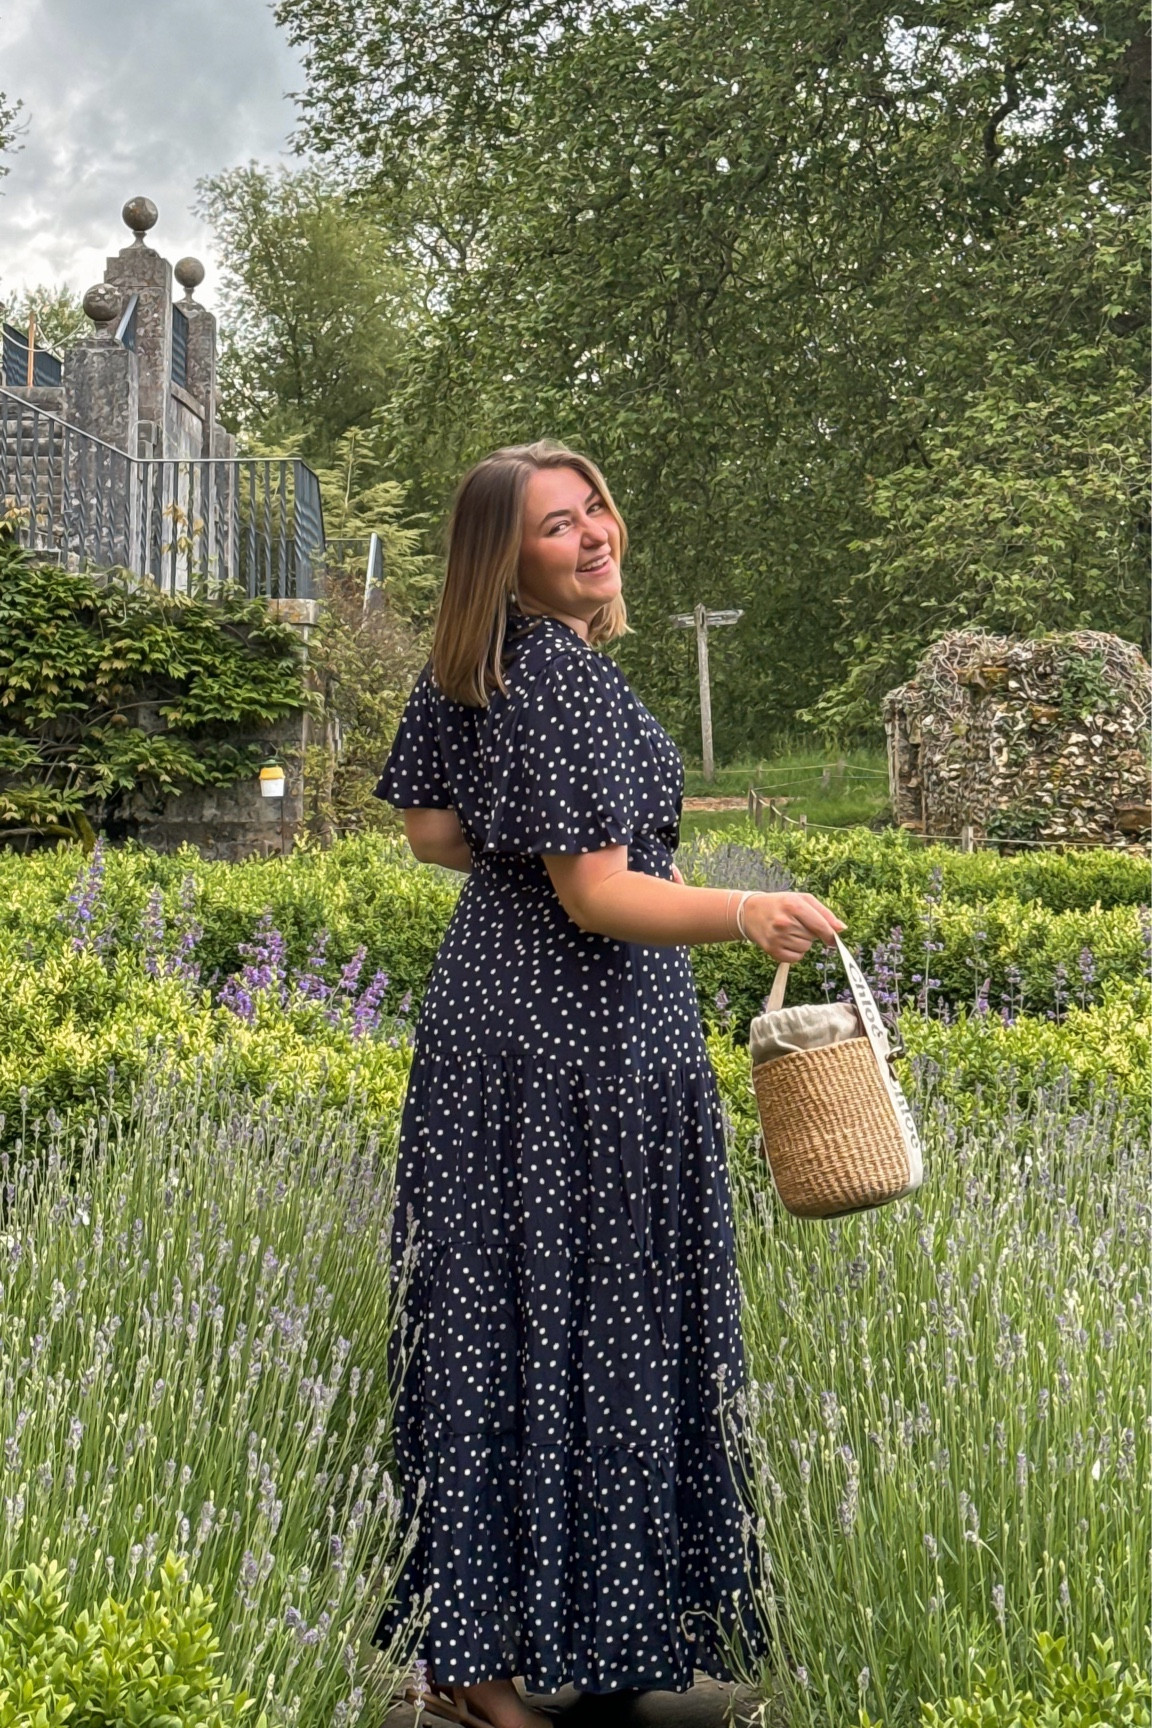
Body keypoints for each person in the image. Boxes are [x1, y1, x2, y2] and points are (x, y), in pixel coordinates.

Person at [371, 441, 844, 1728]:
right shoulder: (565, 683)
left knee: (492, 1326)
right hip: (582, 1047)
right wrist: (747, 907)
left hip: (489, 1029)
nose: (591, 539)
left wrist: (527, 851)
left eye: (594, 514)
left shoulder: (474, 667)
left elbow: (431, 834)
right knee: (597, 1321)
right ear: (504, 560)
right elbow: (598, 892)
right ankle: (556, 1644)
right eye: (552, 529)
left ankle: (472, 1650)